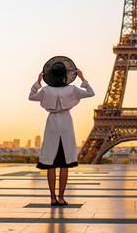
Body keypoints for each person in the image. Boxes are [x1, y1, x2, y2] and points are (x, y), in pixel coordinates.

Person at [29, 57, 95, 206]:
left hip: (51, 124)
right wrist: (82, 78)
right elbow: (91, 93)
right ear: (66, 75)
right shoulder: (72, 89)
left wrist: (38, 82)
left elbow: (31, 97)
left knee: (50, 164)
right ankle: (61, 197)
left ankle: (52, 198)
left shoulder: (46, 90)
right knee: (65, 164)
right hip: (66, 123)